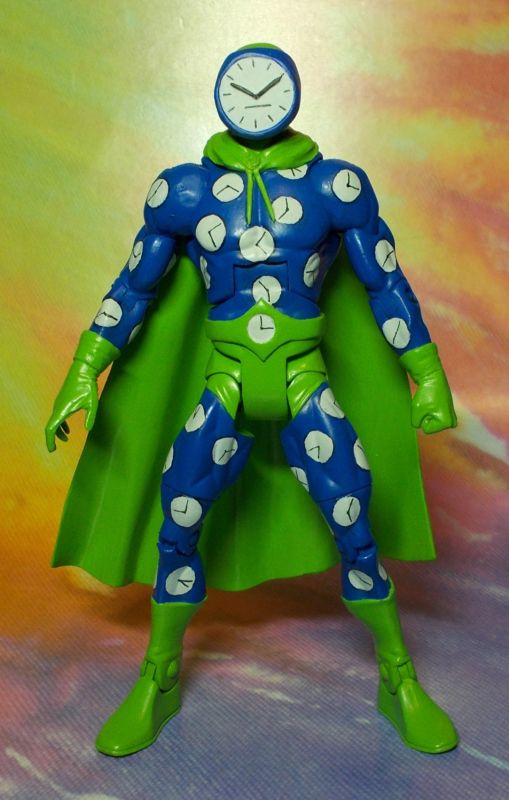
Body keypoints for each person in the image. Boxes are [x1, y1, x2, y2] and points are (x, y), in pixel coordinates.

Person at [46, 43, 458, 757]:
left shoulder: (336, 187)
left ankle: (397, 676)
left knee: (354, 523)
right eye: (246, 89)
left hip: (303, 378)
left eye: (270, 90)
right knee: (178, 519)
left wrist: (428, 374)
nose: (258, 100)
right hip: (226, 381)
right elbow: (133, 288)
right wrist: (85, 369)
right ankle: (158, 675)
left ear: (291, 93)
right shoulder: (184, 192)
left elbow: (385, 283)